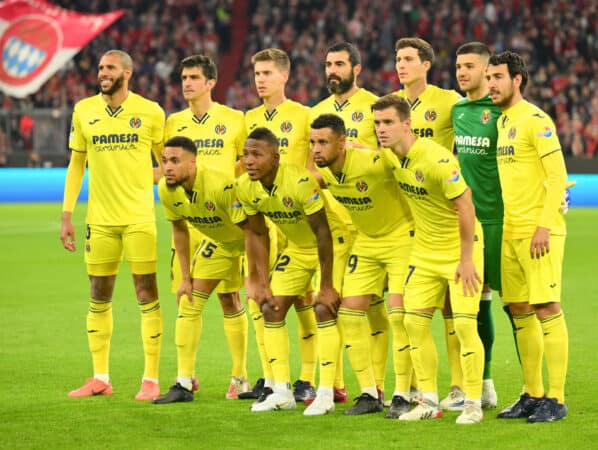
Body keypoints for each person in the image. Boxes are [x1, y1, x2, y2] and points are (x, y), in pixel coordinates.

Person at [373, 94, 485, 424]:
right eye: (377, 123)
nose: (381, 129)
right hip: (423, 254)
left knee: (464, 325)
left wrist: (466, 260)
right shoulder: (391, 157)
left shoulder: (436, 160)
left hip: (459, 253)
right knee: (412, 323)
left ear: (407, 124)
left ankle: (473, 403)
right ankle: (428, 401)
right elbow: (364, 154)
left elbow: (466, 206)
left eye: (388, 122)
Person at [60, 50, 165, 401]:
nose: (102, 72)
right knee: (98, 296)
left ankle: (150, 379)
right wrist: (66, 214)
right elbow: (77, 165)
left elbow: (169, 164)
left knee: (146, 295)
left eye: (110, 68)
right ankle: (100, 378)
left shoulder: (150, 112)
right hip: (99, 222)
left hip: (138, 218)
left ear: (128, 73)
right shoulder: (84, 110)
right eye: (101, 67)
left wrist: (141, 177)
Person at [237, 127, 351, 413]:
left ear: (275, 158)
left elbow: (323, 232)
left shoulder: (300, 181)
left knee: (324, 308)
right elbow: (259, 234)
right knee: (271, 308)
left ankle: (325, 393)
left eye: (256, 155)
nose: (249, 161)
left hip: (332, 244)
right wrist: (261, 281)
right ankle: (282, 391)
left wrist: (325, 286)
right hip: (299, 249)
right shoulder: (245, 186)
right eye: (246, 155)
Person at [310, 114, 414, 418]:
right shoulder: (326, 172)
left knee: (399, 317)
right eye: (313, 142)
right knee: (350, 315)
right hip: (367, 243)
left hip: (400, 239)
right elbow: (306, 183)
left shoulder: (372, 162)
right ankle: (369, 393)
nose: (316, 149)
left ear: (342, 143)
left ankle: (403, 394)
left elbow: (407, 164)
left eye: (323, 142)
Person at [487, 51, 569, 423]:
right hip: (511, 231)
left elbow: (556, 176)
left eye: (497, 77)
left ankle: (557, 397)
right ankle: (532, 393)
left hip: (540, 232)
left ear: (517, 79)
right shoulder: (503, 123)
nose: (491, 84)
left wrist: (543, 225)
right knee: (519, 309)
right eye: (488, 77)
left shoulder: (537, 120)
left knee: (546, 308)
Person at [164, 55, 249, 399]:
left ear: (211, 82)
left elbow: (246, 161)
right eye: (184, 77)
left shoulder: (233, 119)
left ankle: (239, 376)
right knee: (186, 298)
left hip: (227, 224)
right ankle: (187, 375)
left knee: (230, 299)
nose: (187, 83)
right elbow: (168, 165)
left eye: (194, 77)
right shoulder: (174, 123)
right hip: (191, 222)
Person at [309, 43, 390, 402]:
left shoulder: (376, 107)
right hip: (334, 225)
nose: (332, 70)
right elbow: (312, 168)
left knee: (372, 309)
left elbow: (388, 158)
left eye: (340, 64)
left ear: (356, 69)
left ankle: (379, 384)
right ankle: (337, 385)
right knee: (331, 304)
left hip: (372, 224)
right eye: (328, 64)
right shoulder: (317, 112)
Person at [243, 48, 319, 403]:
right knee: (261, 298)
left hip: (298, 222)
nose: (261, 79)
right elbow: (241, 169)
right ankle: (272, 376)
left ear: (285, 76)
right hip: (264, 220)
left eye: (268, 73)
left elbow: (312, 167)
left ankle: (306, 377)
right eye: (257, 73)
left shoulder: (304, 116)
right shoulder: (248, 119)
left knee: (305, 301)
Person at [393, 37, 465, 407]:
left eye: (408, 59)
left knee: (454, 308)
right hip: (407, 219)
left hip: (444, 215)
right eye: (398, 59)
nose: (401, 65)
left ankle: (460, 386)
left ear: (426, 64)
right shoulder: (392, 104)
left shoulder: (448, 101)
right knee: (408, 310)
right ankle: (412, 388)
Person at [152, 136, 249, 404]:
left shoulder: (220, 185)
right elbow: (180, 230)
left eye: (175, 161)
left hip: (253, 239)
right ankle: (183, 383)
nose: (167, 167)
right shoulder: (166, 189)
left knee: (257, 305)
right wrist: (185, 277)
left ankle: (248, 380)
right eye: (164, 161)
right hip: (219, 241)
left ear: (193, 163)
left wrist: (256, 277)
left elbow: (255, 229)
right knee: (189, 300)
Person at [448, 41, 503, 411]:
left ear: (487, 71)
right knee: (476, 301)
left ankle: (535, 390)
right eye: (457, 67)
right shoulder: (457, 110)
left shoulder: (501, 112)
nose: (461, 72)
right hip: (470, 222)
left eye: (469, 66)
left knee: (518, 306)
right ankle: (484, 384)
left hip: (503, 219)